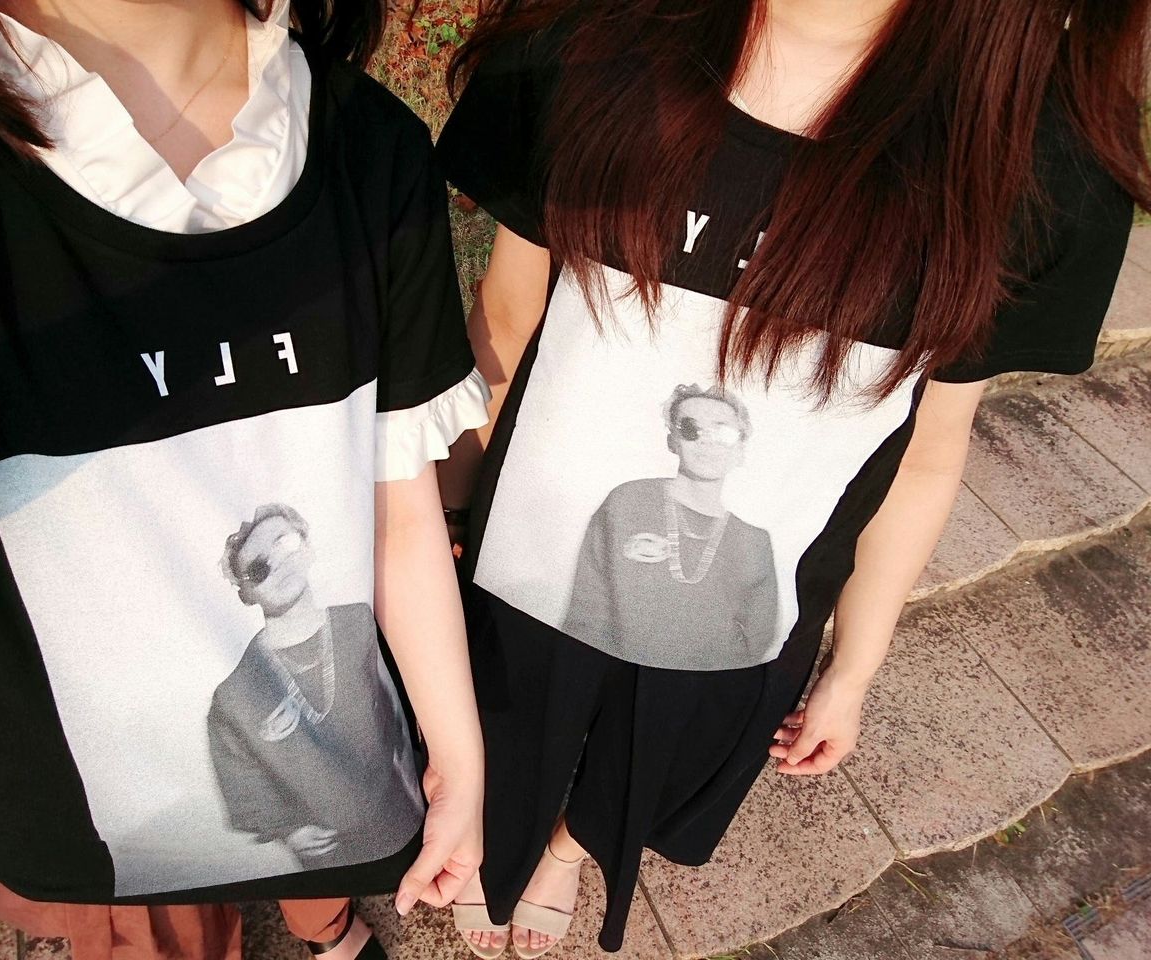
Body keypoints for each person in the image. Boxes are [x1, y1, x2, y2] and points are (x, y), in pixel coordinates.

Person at [433, 0, 1149, 956]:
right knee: (509, 718)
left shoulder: (1036, 164)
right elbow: (510, 318)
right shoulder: (580, 41)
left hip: (752, 603)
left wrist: (855, 664)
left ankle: (569, 848)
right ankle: (505, 839)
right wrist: (449, 505)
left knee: (659, 756)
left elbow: (929, 448)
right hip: (535, 551)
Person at [0, 0, 490, 958]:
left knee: (328, 864)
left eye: (289, 545)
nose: (286, 563)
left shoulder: (369, 146)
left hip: (354, 790)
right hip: (101, 827)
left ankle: (326, 922)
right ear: (240, 579)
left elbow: (396, 510)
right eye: (263, 558)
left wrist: (458, 752)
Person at [208, 503, 425, 872]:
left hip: (400, 814)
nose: (278, 564)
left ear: (307, 547)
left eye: (285, 544)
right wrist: (287, 830)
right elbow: (240, 775)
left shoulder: (361, 623)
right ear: (246, 593)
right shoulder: (236, 694)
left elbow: (403, 709)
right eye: (259, 568)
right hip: (330, 854)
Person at [563, 384, 779, 670]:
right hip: (610, 678)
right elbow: (586, 612)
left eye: (723, 432)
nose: (706, 442)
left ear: (740, 447)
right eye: (691, 429)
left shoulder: (754, 541)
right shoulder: (627, 502)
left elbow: (755, 643)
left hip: (702, 691)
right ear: (672, 441)